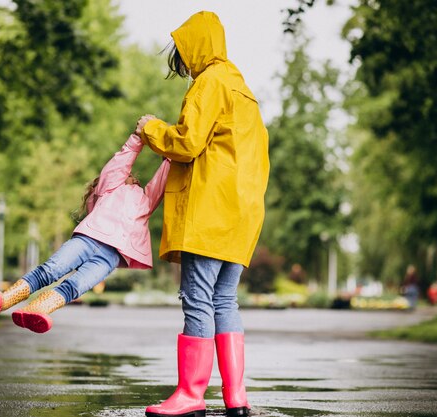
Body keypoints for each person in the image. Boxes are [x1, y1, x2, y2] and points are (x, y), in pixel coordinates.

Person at [135, 11, 270, 417]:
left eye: (182, 53)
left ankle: (191, 395)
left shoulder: (209, 83)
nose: (181, 62)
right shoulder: (242, 87)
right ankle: (236, 397)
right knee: (224, 299)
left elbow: (188, 142)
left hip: (210, 212)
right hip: (242, 214)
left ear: (195, 47)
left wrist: (151, 128)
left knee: (197, 299)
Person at [0, 133, 170, 333]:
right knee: (50, 271)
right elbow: (121, 162)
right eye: (128, 175)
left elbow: (161, 182)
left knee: (75, 287)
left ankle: (37, 309)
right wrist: (138, 137)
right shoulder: (110, 187)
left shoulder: (145, 201)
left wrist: (170, 155)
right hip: (88, 239)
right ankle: (4, 299)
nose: (133, 177)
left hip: (111, 255)